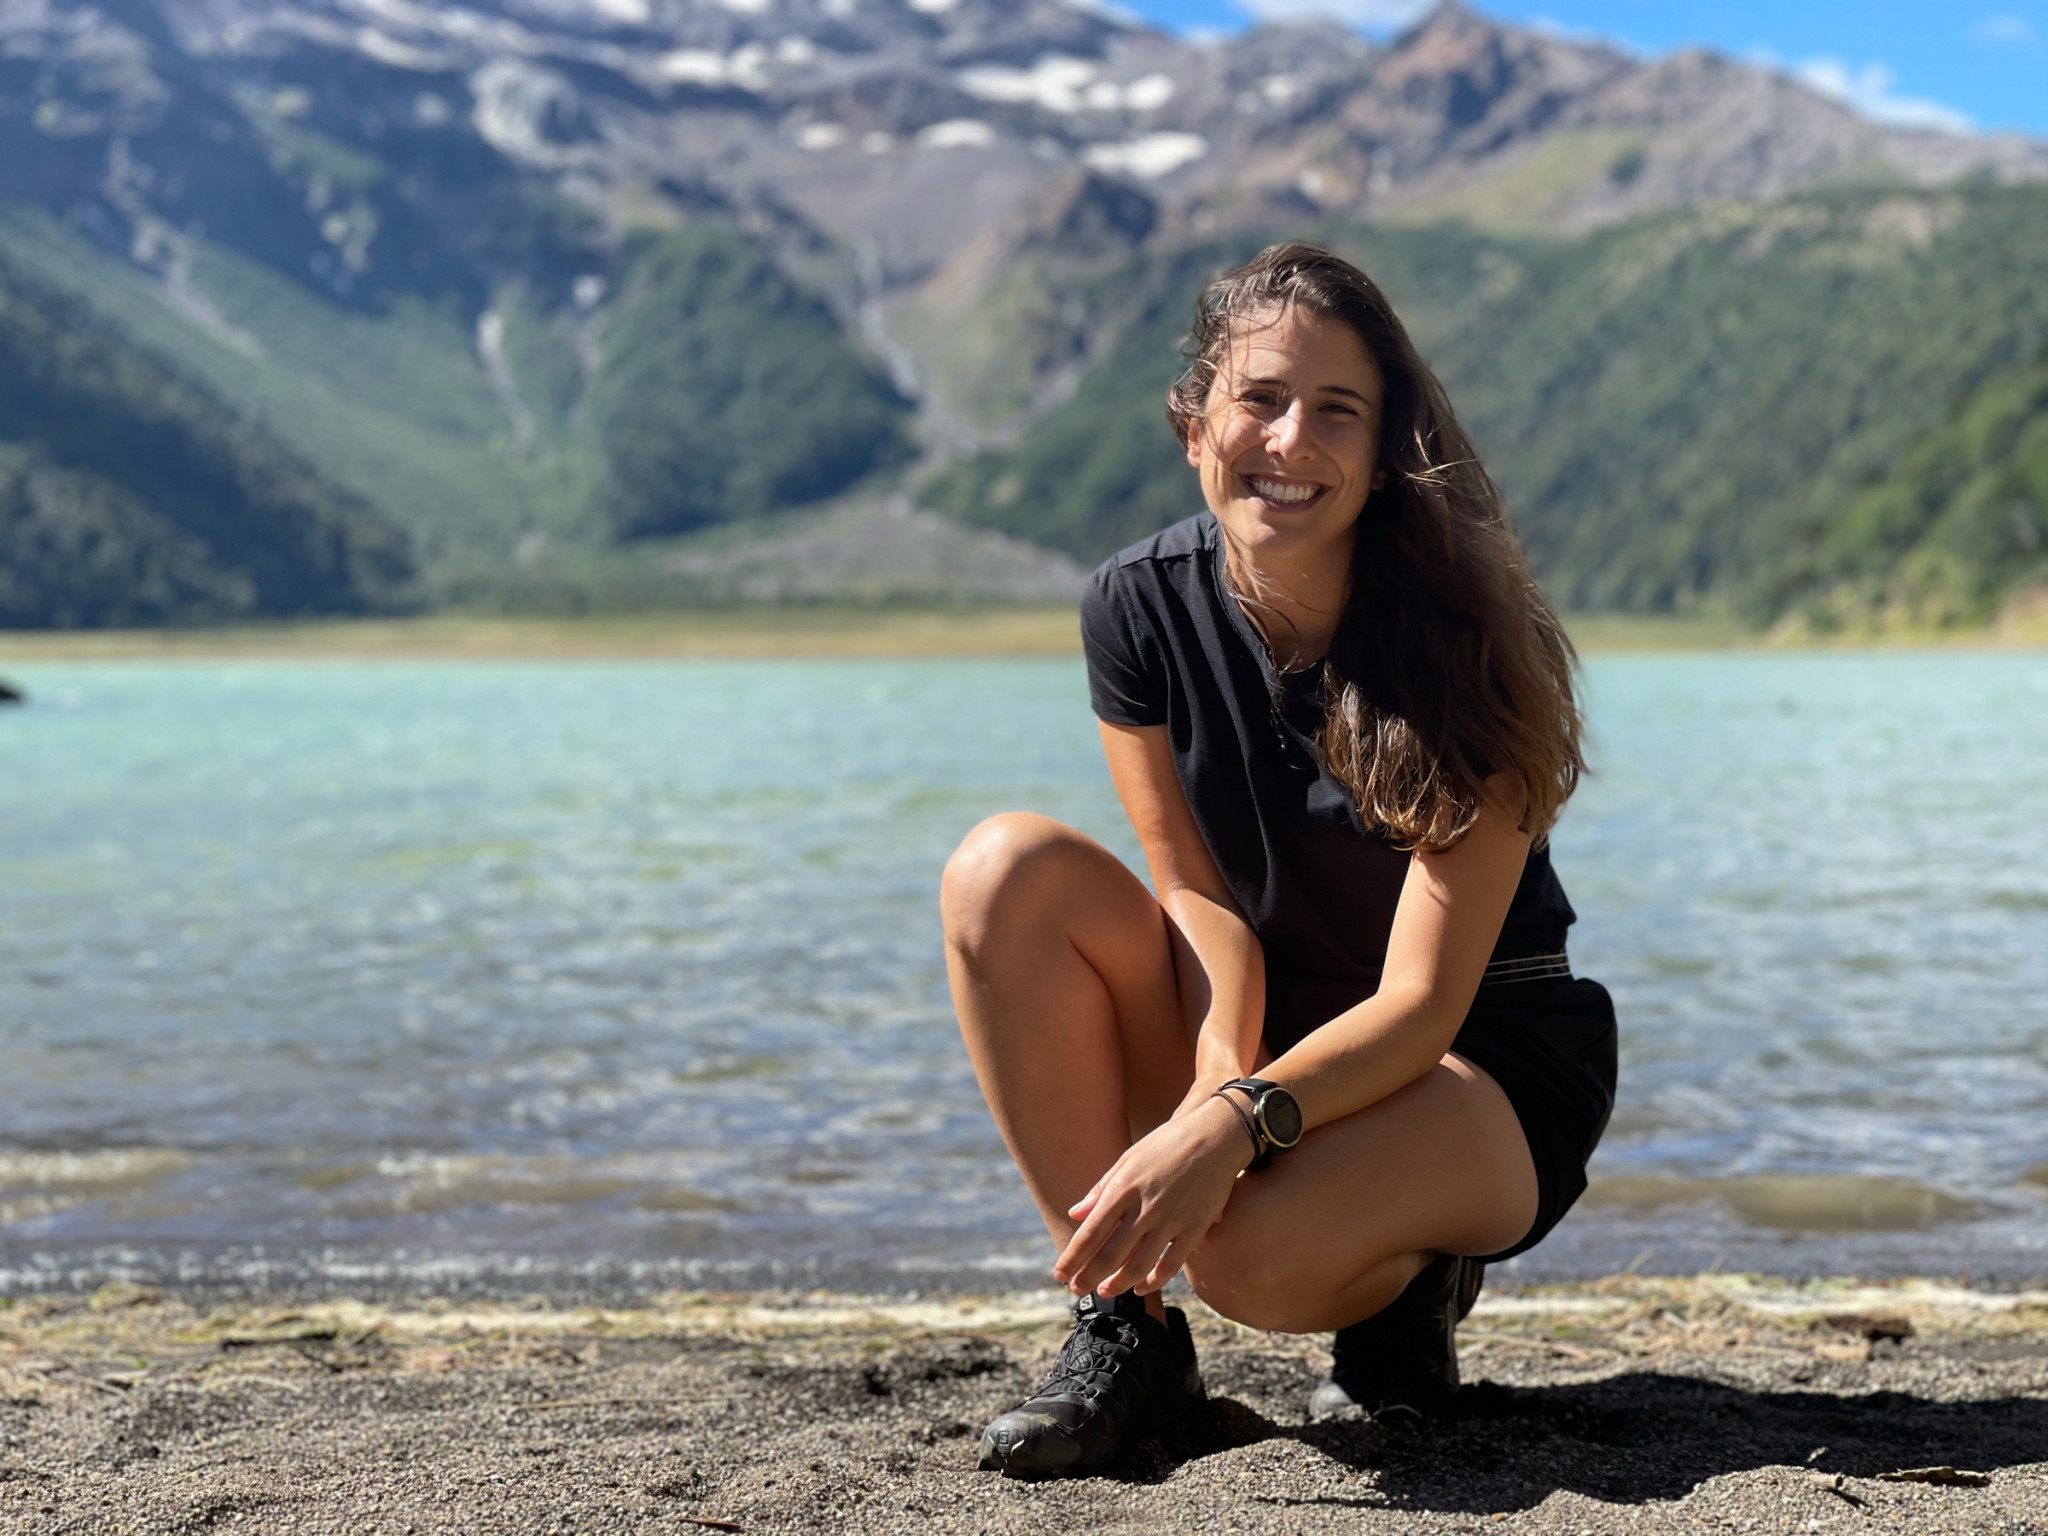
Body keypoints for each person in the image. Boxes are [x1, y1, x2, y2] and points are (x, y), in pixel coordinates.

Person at [940, 242, 1618, 1477]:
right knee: (1002, 872)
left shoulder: (1474, 641)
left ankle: (1410, 1283)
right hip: (1271, 1022)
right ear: (1193, 421)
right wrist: (1217, 1080)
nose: (1290, 439)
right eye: (1258, 398)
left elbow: (1419, 1003)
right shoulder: (1134, 608)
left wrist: (1235, 1122)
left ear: (1384, 448)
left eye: (1336, 409)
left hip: (1477, 1056)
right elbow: (1194, 897)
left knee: (1248, 1261)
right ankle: (1121, 1332)